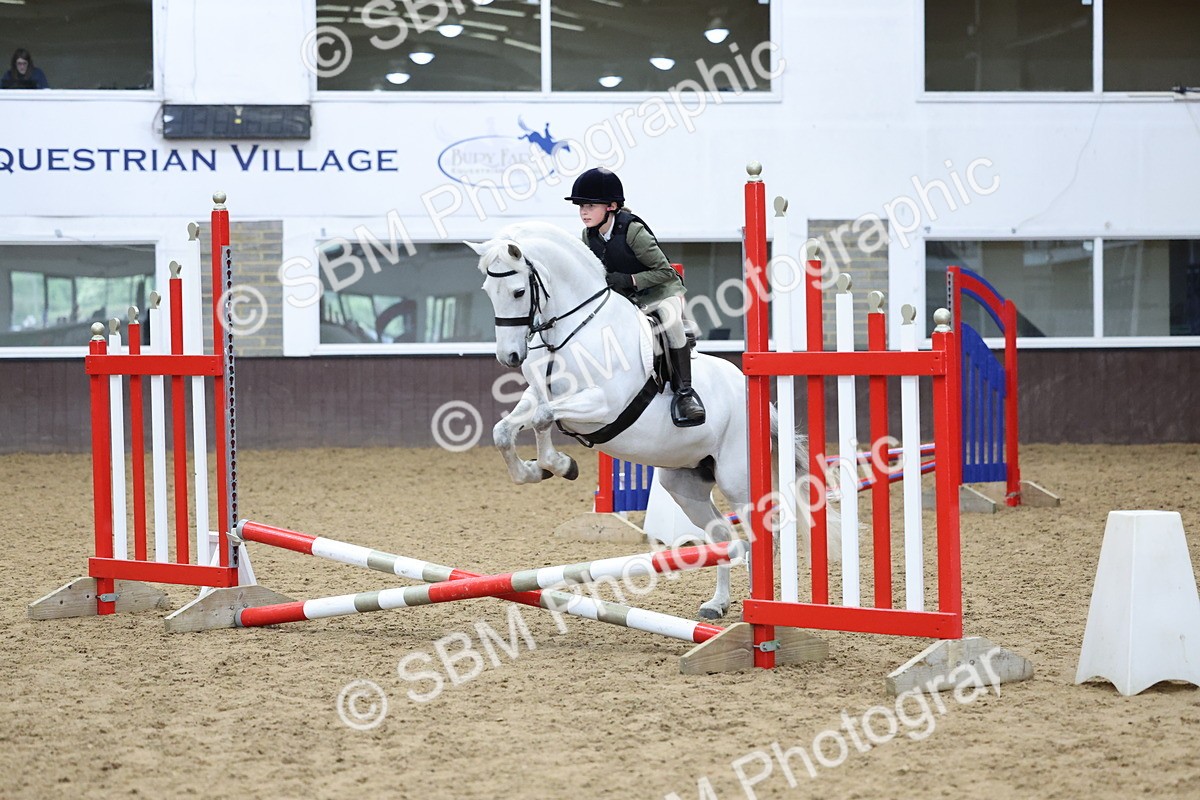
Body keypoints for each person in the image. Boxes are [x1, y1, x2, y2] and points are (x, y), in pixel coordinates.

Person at [565, 167, 706, 427]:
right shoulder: (588, 236)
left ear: (611, 206)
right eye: (580, 206)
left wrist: (630, 280)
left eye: (589, 206)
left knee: (671, 325)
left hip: (660, 292)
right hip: (625, 297)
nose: (583, 212)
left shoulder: (632, 231)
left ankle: (686, 393)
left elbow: (664, 272)